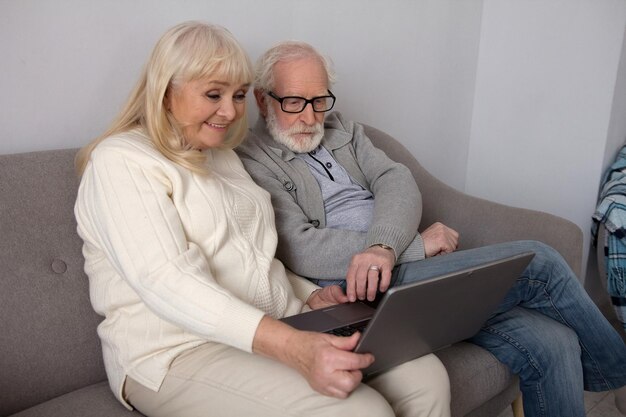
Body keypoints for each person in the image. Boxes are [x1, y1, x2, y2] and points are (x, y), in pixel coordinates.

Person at [74, 22, 451, 417]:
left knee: (425, 378)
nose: (230, 111)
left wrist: (309, 295)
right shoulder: (121, 161)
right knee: (360, 410)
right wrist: (291, 346)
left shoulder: (222, 156)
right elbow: (168, 282)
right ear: (167, 91)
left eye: (237, 95)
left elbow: (254, 258)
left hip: (276, 323)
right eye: (213, 94)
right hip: (176, 352)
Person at [235, 40, 626, 417]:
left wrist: (384, 247)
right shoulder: (253, 161)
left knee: (553, 341)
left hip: (404, 269)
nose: (309, 116)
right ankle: (617, 371)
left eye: (319, 100)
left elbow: (397, 181)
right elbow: (301, 248)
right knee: (539, 260)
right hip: (367, 289)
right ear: (262, 99)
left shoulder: (342, 131)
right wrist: (414, 247)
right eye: (294, 102)